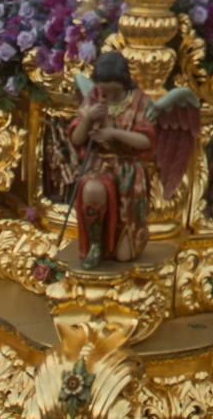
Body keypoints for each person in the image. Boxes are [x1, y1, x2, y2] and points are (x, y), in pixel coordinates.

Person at [66, 53, 196, 270]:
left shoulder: (140, 102)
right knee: (92, 190)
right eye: (103, 89)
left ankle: (128, 237)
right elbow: (76, 139)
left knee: (124, 256)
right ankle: (95, 245)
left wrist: (112, 134)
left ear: (123, 83)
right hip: (99, 166)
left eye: (113, 91)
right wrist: (88, 118)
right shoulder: (94, 98)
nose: (106, 95)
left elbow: (145, 141)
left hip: (128, 171)